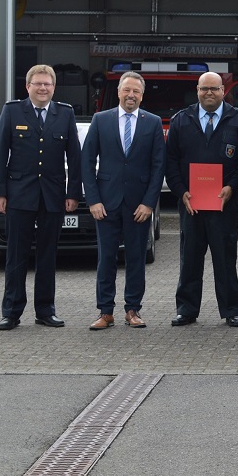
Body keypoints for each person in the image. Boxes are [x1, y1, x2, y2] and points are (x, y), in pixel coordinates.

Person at [0, 64, 82, 330]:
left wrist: (72, 193)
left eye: (48, 84)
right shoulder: (12, 111)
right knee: (16, 256)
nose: (43, 88)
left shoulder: (64, 113)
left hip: (53, 196)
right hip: (19, 195)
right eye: (38, 84)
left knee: (47, 256)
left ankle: (45, 310)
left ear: (54, 87)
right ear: (28, 86)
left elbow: (74, 157)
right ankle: (11, 312)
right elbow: (0, 154)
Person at [164, 72, 238, 328]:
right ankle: (187, 310)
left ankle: (232, 310)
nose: (209, 93)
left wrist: (232, 187)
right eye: (204, 89)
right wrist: (181, 192)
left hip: (224, 204)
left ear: (224, 90)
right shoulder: (182, 120)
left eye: (214, 89)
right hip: (191, 205)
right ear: (197, 90)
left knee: (225, 260)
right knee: (189, 259)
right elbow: (171, 162)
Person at [82, 71, 165, 330]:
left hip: (138, 205)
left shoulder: (152, 123)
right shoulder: (100, 120)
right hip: (105, 204)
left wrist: (149, 203)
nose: (131, 95)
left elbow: (158, 166)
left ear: (142, 95)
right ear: (118, 92)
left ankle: (133, 310)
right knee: (106, 258)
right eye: (127, 90)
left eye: (136, 92)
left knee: (136, 259)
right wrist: (93, 200)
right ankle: (105, 312)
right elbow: (87, 162)